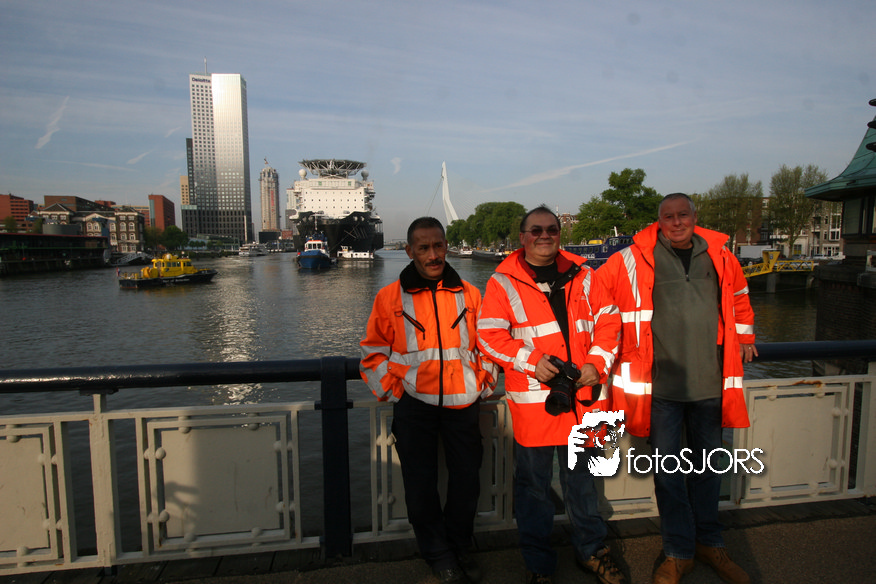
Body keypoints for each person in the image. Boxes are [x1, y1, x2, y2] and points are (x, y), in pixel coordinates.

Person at [598, 193, 757, 584]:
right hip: (660, 390)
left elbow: (739, 298)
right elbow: (593, 296)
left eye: (682, 214)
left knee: (709, 471)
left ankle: (710, 544)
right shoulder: (631, 259)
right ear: (659, 221)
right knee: (669, 476)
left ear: (694, 217)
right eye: (668, 216)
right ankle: (679, 551)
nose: (676, 222)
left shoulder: (721, 256)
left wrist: (745, 337)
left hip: (710, 385)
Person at [477, 205, 626, 584]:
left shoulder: (585, 274)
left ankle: (592, 551)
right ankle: (539, 564)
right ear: (522, 237)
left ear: (559, 234)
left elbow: (610, 321)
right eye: (536, 230)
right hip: (536, 407)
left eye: (552, 230)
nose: (545, 236)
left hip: (586, 402)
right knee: (534, 490)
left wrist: (596, 363)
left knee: (584, 484)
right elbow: (489, 335)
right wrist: (531, 361)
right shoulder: (502, 282)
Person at [360, 217, 496, 584]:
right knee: (420, 486)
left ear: (446, 246)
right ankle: (438, 555)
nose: (433, 255)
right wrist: (395, 392)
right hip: (414, 404)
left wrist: (483, 384)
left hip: (464, 402)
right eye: (423, 248)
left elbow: (488, 346)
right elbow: (372, 354)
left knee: (467, 481)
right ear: (410, 251)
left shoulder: (471, 294)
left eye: (438, 246)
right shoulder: (389, 298)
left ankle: (459, 546)